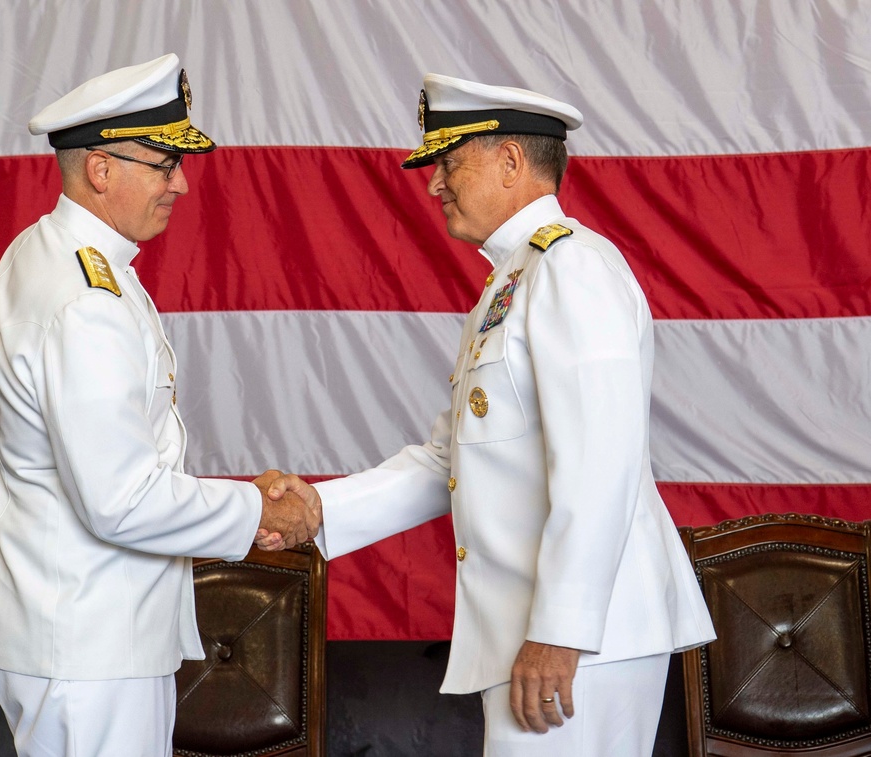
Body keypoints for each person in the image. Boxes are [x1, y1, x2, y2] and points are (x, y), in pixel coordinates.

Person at [261, 73, 716, 756]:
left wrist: (560, 629)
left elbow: (601, 465)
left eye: (449, 163)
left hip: (583, 638)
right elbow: (450, 459)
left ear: (510, 162)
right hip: (543, 633)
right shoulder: (512, 283)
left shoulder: (572, 270)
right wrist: (319, 508)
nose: (433, 184)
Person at [0, 54, 318, 757]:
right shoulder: (87, 299)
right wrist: (255, 510)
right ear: (101, 170)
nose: (180, 183)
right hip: (88, 645)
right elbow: (120, 499)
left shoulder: (46, 253)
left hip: (72, 626)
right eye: (163, 163)